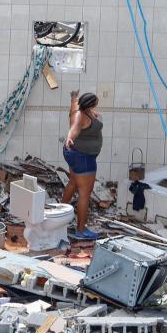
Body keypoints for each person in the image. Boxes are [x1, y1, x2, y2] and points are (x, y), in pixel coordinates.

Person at [62, 91, 103, 240]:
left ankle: (58, 217)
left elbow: (74, 104)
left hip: (76, 154)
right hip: (83, 157)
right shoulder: (80, 116)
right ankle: (80, 230)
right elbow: (74, 129)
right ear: (91, 104)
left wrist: (73, 98)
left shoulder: (81, 110)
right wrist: (69, 138)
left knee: (73, 183)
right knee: (85, 193)